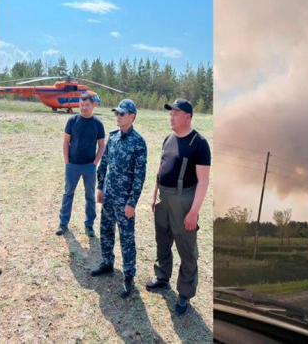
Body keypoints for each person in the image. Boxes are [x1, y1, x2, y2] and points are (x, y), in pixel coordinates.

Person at [146, 98, 211, 315]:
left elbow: (203, 181)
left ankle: (184, 293)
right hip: (164, 198)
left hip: (184, 200)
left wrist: (194, 212)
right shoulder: (168, 138)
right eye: (170, 113)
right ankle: (162, 277)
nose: (171, 117)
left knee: (186, 248)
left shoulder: (199, 143)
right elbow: (160, 167)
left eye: (176, 113)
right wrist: (154, 195)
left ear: (188, 117)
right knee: (162, 240)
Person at [90, 99, 147, 298]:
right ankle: (107, 262)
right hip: (108, 196)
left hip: (124, 201)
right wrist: (100, 188)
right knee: (105, 230)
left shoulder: (138, 142)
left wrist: (132, 203)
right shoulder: (112, 138)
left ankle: (129, 275)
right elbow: (104, 164)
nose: (118, 116)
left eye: (122, 114)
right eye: (116, 113)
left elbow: (139, 176)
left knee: (126, 238)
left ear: (132, 117)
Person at [56, 92, 105, 237]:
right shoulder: (72, 121)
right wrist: (67, 162)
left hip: (89, 166)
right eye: (81, 105)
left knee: (90, 196)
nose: (84, 108)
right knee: (68, 194)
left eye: (87, 105)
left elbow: (102, 145)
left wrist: (94, 163)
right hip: (72, 165)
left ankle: (89, 225)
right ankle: (63, 223)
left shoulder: (98, 124)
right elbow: (66, 142)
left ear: (93, 105)